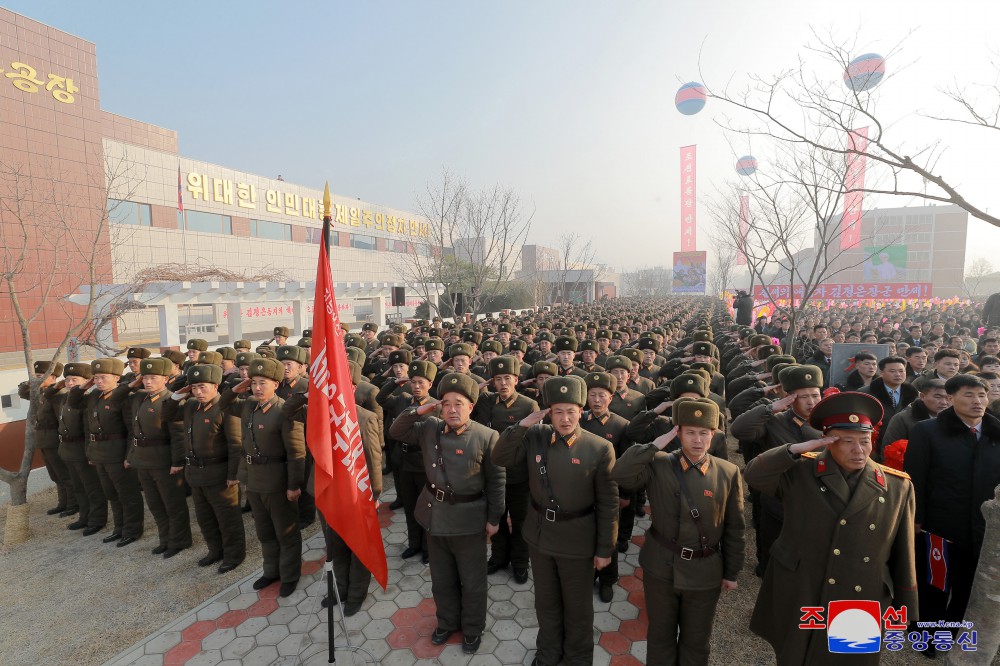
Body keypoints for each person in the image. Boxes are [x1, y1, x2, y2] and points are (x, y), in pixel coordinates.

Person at [745, 391, 917, 665]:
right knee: (796, 655)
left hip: (859, 593)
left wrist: (906, 603)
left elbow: (903, 549)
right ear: (827, 441)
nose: (858, 450)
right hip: (804, 586)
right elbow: (755, 475)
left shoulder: (897, 485)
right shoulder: (801, 471)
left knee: (850, 657)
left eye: (865, 441)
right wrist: (794, 450)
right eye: (847, 442)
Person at [494, 376, 618, 666]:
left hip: (578, 539)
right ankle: (549, 651)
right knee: (546, 601)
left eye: (571, 411)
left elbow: (609, 504)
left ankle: (577, 656)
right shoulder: (535, 436)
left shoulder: (599, 448)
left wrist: (604, 550)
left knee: (577, 606)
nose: (565, 419)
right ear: (548, 412)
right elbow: (500, 457)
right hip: (540, 535)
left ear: (582, 410)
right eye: (558, 411)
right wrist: (522, 425)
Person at [612, 398, 744, 666]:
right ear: (678, 433)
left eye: (704, 433)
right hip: (662, 566)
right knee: (660, 636)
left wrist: (731, 572)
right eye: (690, 432)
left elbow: (734, 526)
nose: (697, 440)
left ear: (714, 435)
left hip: (704, 570)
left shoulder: (728, 472)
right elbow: (621, 474)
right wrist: (654, 445)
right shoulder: (658, 463)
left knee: (696, 640)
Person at [388, 373, 506, 655]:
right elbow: (396, 431)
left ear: (471, 406)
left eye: (459, 403)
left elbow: (497, 481)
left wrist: (494, 519)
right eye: (446, 403)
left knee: (473, 581)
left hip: (469, 520)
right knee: (441, 580)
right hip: (435, 516)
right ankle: (447, 622)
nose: (452, 409)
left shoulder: (487, 436)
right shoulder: (429, 427)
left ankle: (473, 627)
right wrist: (420, 409)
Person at [904, 374, 1000, 635]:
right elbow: (915, 479)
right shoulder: (927, 431)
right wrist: (915, 518)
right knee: (935, 583)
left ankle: (955, 631)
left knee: (970, 584)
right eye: (968, 395)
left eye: (981, 395)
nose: (977, 401)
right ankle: (926, 633)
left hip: (983, 526)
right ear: (951, 397)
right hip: (940, 524)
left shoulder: (995, 431)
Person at [223, 357, 306, 597]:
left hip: (278, 482)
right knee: (264, 532)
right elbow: (225, 405)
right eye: (254, 383)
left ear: (276, 384)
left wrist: (293, 485)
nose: (257, 388)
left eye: (263, 383)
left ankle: (290, 575)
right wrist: (234, 389)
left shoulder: (285, 411)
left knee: (286, 532)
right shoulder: (249, 405)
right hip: (255, 480)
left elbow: (296, 453)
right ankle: (271, 570)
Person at [163, 364, 245, 573]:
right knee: (205, 517)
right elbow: (168, 415)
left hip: (220, 473)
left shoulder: (226, 408)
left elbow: (235, 445)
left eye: (203, 387)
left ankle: (234, 555)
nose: (198, 392)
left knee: (227, 519)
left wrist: (233, 475)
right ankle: (215, 550)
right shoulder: (191, 406)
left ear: (216, 386)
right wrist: (175, 396)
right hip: (196, 474)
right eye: (195, 387)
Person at [473, 356, 539, 584]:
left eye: (507, 378)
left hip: (519, 476)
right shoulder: (485, 402)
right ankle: (499, 557)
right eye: (498, 379)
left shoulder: (528, 406)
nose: (503, 383)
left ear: (516, 379)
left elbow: (534, 444)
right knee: (496, 519)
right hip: (492, 475)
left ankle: (520, 562)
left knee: (521, 523)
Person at [67, 358, 145, 547]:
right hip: (100, 454)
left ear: (117, 377)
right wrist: (87, 383)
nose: (99, 381)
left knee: (127, 494)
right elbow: (74, 401)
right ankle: (119, 528)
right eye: (96, 377)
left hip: (118, 454)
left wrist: (129, 456)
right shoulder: (95, 396)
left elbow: (130, 430)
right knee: (111, 493)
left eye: (103, 377)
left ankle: (132, 530)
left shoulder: (124, 398)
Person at [125, 357, 192, 558]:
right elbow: (135, 432)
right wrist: (131, 456)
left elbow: (178, 436)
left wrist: (177, 462)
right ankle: (165, 539)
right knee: (155, 504)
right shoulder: (140, 398)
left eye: (153, 378)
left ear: (165, 378)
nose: (148, 382)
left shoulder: (172, 400)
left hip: (164, 461)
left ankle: (180, 540)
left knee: (173, 504)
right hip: (143, 460)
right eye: (145, 377)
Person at [580, 371, 633, 602]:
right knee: (586, 535)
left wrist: (626, 493)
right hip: (581, 490)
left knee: (608, 538)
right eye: (593, 395)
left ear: (611, 398)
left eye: (602, 395)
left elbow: (628, 463)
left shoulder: (621, 425)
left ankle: (608, 580)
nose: (597, 400)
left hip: (609, 492)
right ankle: (589, 574)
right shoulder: (579, 421)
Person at [50, 363, 108, 535]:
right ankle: (84, 516)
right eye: (67, 380)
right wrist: (60, 384)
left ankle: (97, 518)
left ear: (86, 382)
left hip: (82, 449)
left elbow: (88, 430)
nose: (69, 383)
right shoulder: (64, 398)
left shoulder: (86, 401)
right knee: (78, 487)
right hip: (68, 450)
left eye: (74, 379)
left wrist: (89, 452)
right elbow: (48, 393)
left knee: (91, 486)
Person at [18, 361, 76, 517]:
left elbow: (61, 420)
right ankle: (62, 503)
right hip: (43, 440)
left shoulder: (58, 394)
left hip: (54, 440)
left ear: (53, 377)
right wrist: (30, 382)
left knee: (64, 474)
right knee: (55, 475)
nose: (36, 379)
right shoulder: (41, 391)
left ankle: (72, 504)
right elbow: (23, 392)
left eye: (39, 376)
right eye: (35, 376)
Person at [859, 355, 917, 460]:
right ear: (881, 372)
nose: (898, 374)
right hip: (875, 446)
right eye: (892, 371)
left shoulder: (915, 394)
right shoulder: (865, 394)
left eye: (901, 371)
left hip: (906, 446)